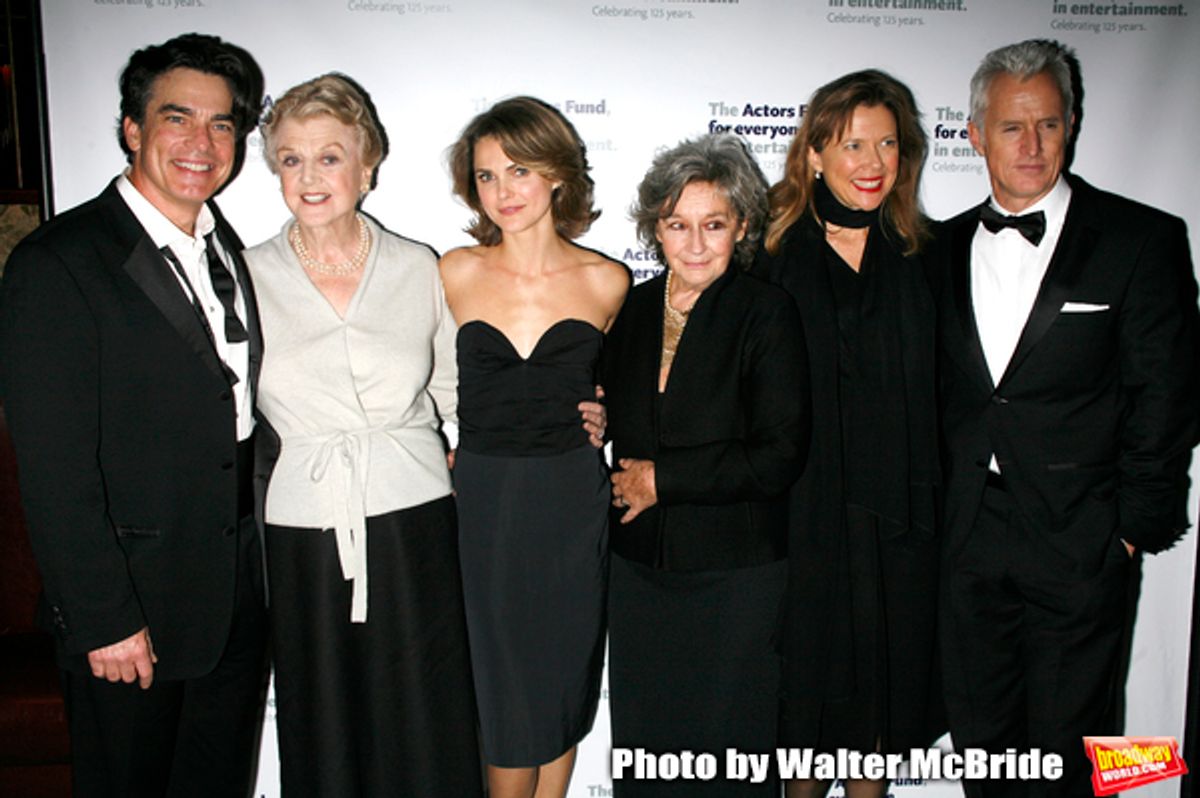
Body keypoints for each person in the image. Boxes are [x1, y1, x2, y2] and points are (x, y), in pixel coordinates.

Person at [0, 34, 268, 797]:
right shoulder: (59, 262)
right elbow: (53, 468)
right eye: (177, 118)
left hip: (234, 595)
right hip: (132, 609)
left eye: (222, 125)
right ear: (132, 129)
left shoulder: (224, 249)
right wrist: (102, 616)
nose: (201, 143)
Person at [936, 39, 1198, 797]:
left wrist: (1128, 531)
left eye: (1049, 125)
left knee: (1072, 752)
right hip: (967, 538)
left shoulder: (1141, 240)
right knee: (981, 746)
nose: (1032, 145)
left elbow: (1169, 395)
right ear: (976, 133)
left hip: (1081, 536)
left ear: (1072, 125)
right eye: (1012, 127)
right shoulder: (937, 249)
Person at [245, 73, 483, 797]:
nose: (309, 176)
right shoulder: (243, 275)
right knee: (323, 714)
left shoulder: (419, 267)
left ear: (367, 165)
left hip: (415, 514)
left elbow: (454, 388)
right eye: (290, 158)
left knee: (424, 709)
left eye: (329, 156)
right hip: (304, 523)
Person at [602, 133, 809, 798]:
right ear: (655, 229)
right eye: (677, 225)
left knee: (729, 763)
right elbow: (606, 403)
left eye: (713, 225)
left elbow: (778, 455)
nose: (694, 244)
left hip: (736, 576)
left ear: (741, 226)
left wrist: (664, 480)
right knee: (646, 755)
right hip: (638, 573)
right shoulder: (629, 309)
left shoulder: (766, 314)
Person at [755, 70, 940, 798]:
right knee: (805, 718)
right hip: (805, 523)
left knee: (877, 720)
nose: (871, 162)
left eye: (887, 144)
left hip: (900, 527)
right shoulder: (769, 259)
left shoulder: (927, 257)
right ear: (813, 155)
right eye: (852, 143)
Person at [439, 96, 628, 798]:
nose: (501, 192)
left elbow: (633, 393)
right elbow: (409, 377)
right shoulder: (454, 272)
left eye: (517, 170)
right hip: (486, 508)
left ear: (556, 174)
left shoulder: (608, 281)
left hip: (570, 503)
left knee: (558, 684)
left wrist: (611, 420)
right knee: (503, 702)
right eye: (486, 176)